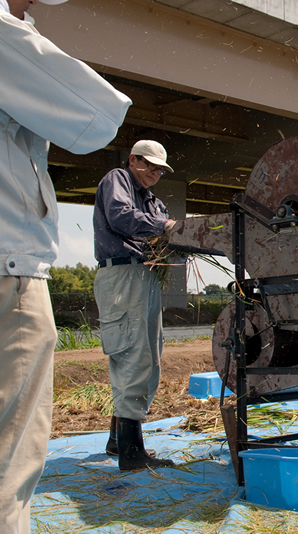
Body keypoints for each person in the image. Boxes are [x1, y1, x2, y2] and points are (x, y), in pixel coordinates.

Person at [0, 1, 132, 531]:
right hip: (13, 264)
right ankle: (127, 443)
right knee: (11, 454)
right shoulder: (119, 186)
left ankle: (131, 439)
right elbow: (97, 114)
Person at [93, 140, 177, 471]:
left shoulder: (152, 200)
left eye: (160, 169)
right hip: (123, 274)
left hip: (145, 276)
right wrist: (166, 228)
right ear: (133, 160)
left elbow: (162, 228)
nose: (156, 172)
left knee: (148, 354)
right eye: (151, 165)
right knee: (132, 355)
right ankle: (131, 453)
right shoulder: (118, 180)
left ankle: (117, 440)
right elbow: (121, 217)